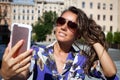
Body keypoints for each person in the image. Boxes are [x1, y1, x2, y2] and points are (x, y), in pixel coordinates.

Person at [0, 6, 119, 80]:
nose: (63, 27)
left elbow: (111, 73)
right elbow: (21, 76)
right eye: (61, 21)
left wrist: (92, 40)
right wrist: (6, 74)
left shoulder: (82, 60)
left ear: (78, 34)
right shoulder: (37, 52)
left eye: (72, 25)